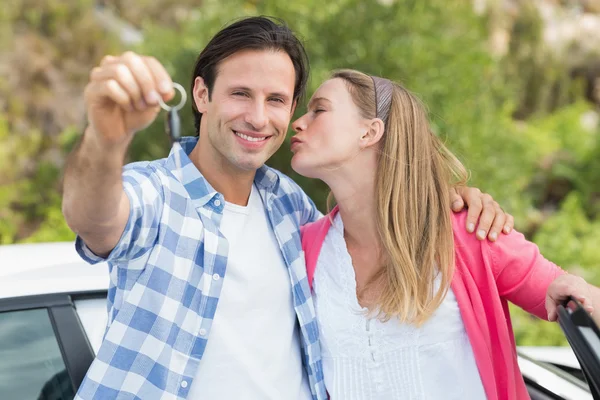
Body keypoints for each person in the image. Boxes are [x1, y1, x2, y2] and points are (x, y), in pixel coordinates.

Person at [62, 17, 513, 400]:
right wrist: (106, 139)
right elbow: (96, 219)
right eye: (240, 93)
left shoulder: (290, 206)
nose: (258, 117)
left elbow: (372, 238)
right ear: (202, 95)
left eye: (275, 100)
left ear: (292, 108)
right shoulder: (155, 192)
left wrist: (452, 201)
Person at [293, 69, 600, 400]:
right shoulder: (305, 248)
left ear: (369, 132)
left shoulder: (471, 231)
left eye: (319, 110)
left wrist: (579, 294)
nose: (298, 122)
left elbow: (578, 302)